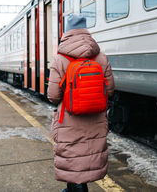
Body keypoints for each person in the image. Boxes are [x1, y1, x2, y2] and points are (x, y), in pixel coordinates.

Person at [48, 14, 115, 192]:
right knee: (88, 157)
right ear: (86, 30)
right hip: (96, 119)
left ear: (67, 31)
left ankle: (75, 189)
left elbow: (53, 96)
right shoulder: (101, 56)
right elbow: (109, 90)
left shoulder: (60, 59)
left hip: (69, 120)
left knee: (73, 160)